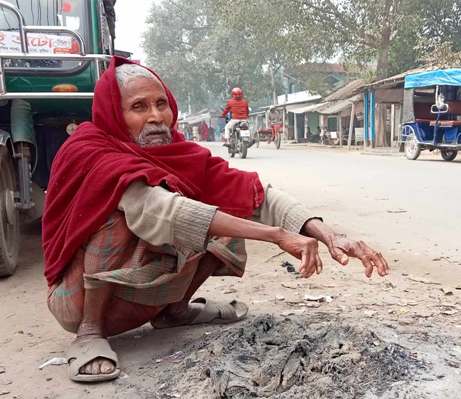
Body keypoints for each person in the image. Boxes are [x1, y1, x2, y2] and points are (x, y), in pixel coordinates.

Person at [42, 58, 390, 383]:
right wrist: (276, 236)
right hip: (77, 300)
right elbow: (162, 211)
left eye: (161, 104)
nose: (156, 117)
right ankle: (89, 333)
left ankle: (174, 312)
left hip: (139, 294)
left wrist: (330, 236)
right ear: (113, 115)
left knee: (227, 209)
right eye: (139, 107)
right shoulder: (92, 149)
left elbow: (255, 194)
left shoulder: (179, 153)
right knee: (120, 216)